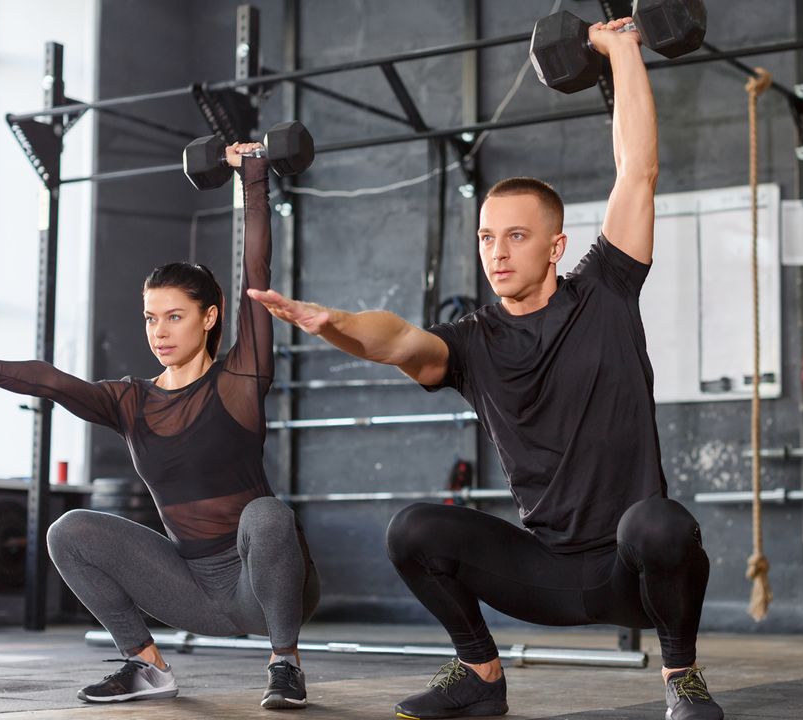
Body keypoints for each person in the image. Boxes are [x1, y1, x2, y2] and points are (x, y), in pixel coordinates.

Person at [249, 19, 721, 720]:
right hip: (547, 573)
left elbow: (638, 169)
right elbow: (401, 342)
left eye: (517, 237)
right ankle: (481, 674)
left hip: (635, 572)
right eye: (486, 237)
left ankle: (681, 679)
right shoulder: (470, 340)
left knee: (661, 524)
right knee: (413, 529)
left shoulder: (607, 289)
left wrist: (622, 46)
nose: (497, 252)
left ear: (557, 246)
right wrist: (337, 324)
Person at [0, 145, 319, 711]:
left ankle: (285, 664)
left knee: (268, 514)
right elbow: (54, 382)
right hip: (192, 590)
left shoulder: (241, 378)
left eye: (175, 316)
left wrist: (253, 175)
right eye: (151, 317)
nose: (159, 330)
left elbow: (258, 271)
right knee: (69, 530)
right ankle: (146, 665)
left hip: (267, 588)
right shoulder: (132, 400)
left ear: (211, 316)